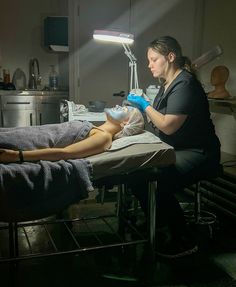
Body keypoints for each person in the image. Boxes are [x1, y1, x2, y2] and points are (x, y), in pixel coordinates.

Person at [127, 36, 221, 258]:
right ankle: (158, 222)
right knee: (135, 174)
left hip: (199, 153)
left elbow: (168, 126)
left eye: (153, 59)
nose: (149, 65)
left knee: (156, 180)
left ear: (170, 57)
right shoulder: (167, 84)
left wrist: (144, 104)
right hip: (177, 148)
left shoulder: (185, 84)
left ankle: (184, 239)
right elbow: (157, 119)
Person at [0, 105, 144, 163]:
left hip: (29, 142)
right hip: (27, 133)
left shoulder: (104, 137)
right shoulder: (96, 129)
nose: (119, 105)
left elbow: (65, 153)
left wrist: (16, 156)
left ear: (126, 123)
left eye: (124, 109)